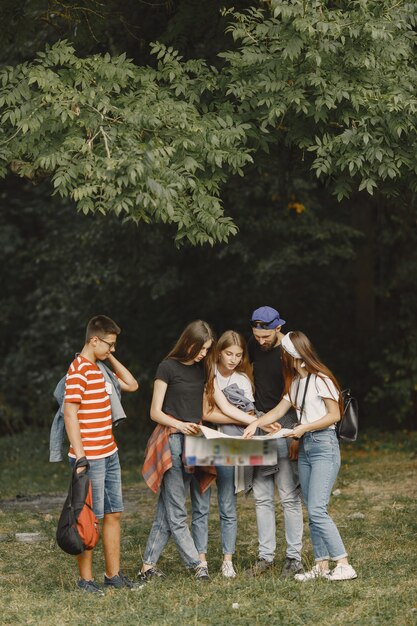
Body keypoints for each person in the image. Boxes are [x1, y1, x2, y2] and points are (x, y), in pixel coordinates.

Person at [139, 322, 256, 582]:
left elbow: (221, 405)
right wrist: (179, 424)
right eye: (202, 348)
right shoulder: (167, 367)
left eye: (207, 349)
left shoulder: (204, 370)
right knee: (177, 507)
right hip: (171, 438)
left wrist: (254, 421)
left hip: (197, 440)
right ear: (189, 343)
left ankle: (148, 565)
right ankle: (197, 564)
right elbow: (155, 411)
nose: (205, 353)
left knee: (168, 507)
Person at [244, 331, 357, 581]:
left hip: (323, 446)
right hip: (305, 447)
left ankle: (343, 564)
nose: (280, 358)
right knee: (311, 506)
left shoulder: (321, 379)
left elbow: (334, 415)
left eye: (283, 354)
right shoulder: (295, 383)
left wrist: (302, 428)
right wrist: (255, 424)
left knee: (317, 509)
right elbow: (279, 410)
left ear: (292, 355)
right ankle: (320, 565)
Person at [63, 315, 140, 595]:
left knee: (114, 513)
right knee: (87, 518)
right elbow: (70, 413)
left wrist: (108, 357)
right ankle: (85, 580)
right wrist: (81, 458)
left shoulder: (100, 369)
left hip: (110, 453)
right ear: (93, 340)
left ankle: (113, 575)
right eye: (110, 344)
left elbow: (132, 384)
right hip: (89, 458)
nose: (113, 349)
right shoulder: (78, 370)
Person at [246, 306, 304, 577]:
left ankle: (294, 558)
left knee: (289, 497)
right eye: (257, 335)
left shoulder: (291, 351)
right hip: (260, 427)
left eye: (265, 336)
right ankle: (265, 557)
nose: (261, 341)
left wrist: (297, 433)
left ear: (278, 327)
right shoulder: (254, 346)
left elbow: (301, 393)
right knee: (261, 497)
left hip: (286, 427)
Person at [201, 330, 259, 578]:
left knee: (227, 501)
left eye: (238, 354)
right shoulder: (207, 372)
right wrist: (244, 419)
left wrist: (252, 420)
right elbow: (206, 413)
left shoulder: (243, 379)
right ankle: (200, 560)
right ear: (219, 351)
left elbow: (250, 413)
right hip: (205, 440)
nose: (233, 359)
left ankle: (228, 559)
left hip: (231, 443)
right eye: (228, 353)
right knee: (201, 504)